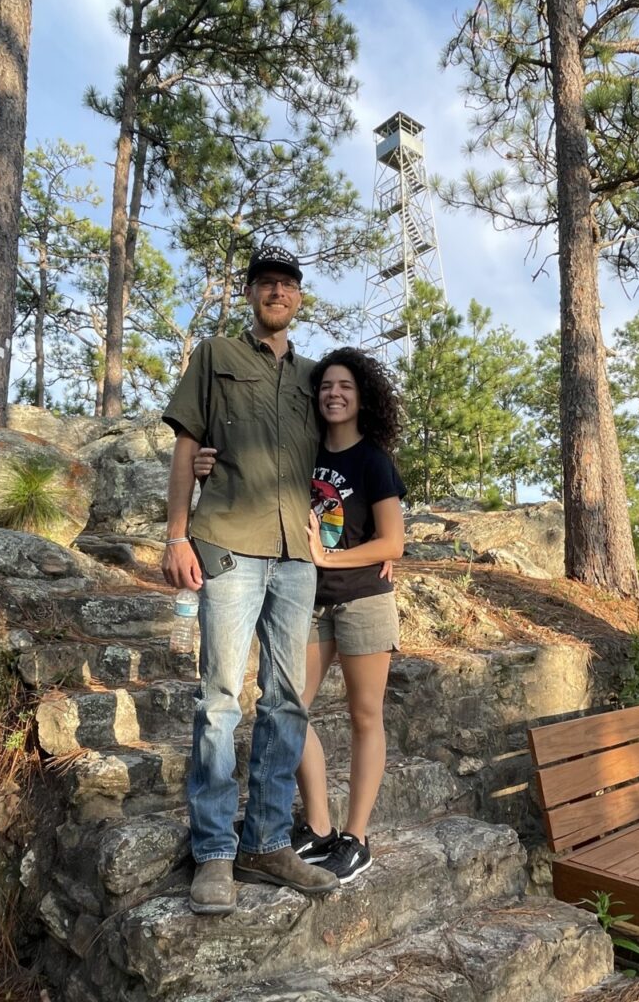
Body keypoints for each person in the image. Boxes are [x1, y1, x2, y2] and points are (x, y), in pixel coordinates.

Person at [161, 246, 339, 917]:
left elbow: (341, 454)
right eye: (266, 283)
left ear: (298, 298)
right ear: (251, 295)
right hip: (228, 544)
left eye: (287, 285)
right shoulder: (215, 356)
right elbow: (186, 446)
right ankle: (213, 852)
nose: (276, 292)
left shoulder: (315, 377)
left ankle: (265, 841)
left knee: (288, 701)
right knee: (219, 698)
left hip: (297, 555)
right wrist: (177, 532)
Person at [195, 347, 405, 885]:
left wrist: (331, 557)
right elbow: (252, 467)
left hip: (362, 598)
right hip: (308, 599)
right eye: (326, 386)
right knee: (292, 708)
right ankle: (317, 824)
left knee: (365, 716)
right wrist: (206, 462)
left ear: (362, 398)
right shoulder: (305, 451)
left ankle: (356, 838)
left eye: (345, 387)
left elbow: (393, 542)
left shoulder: (373, 460)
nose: (333, 394)